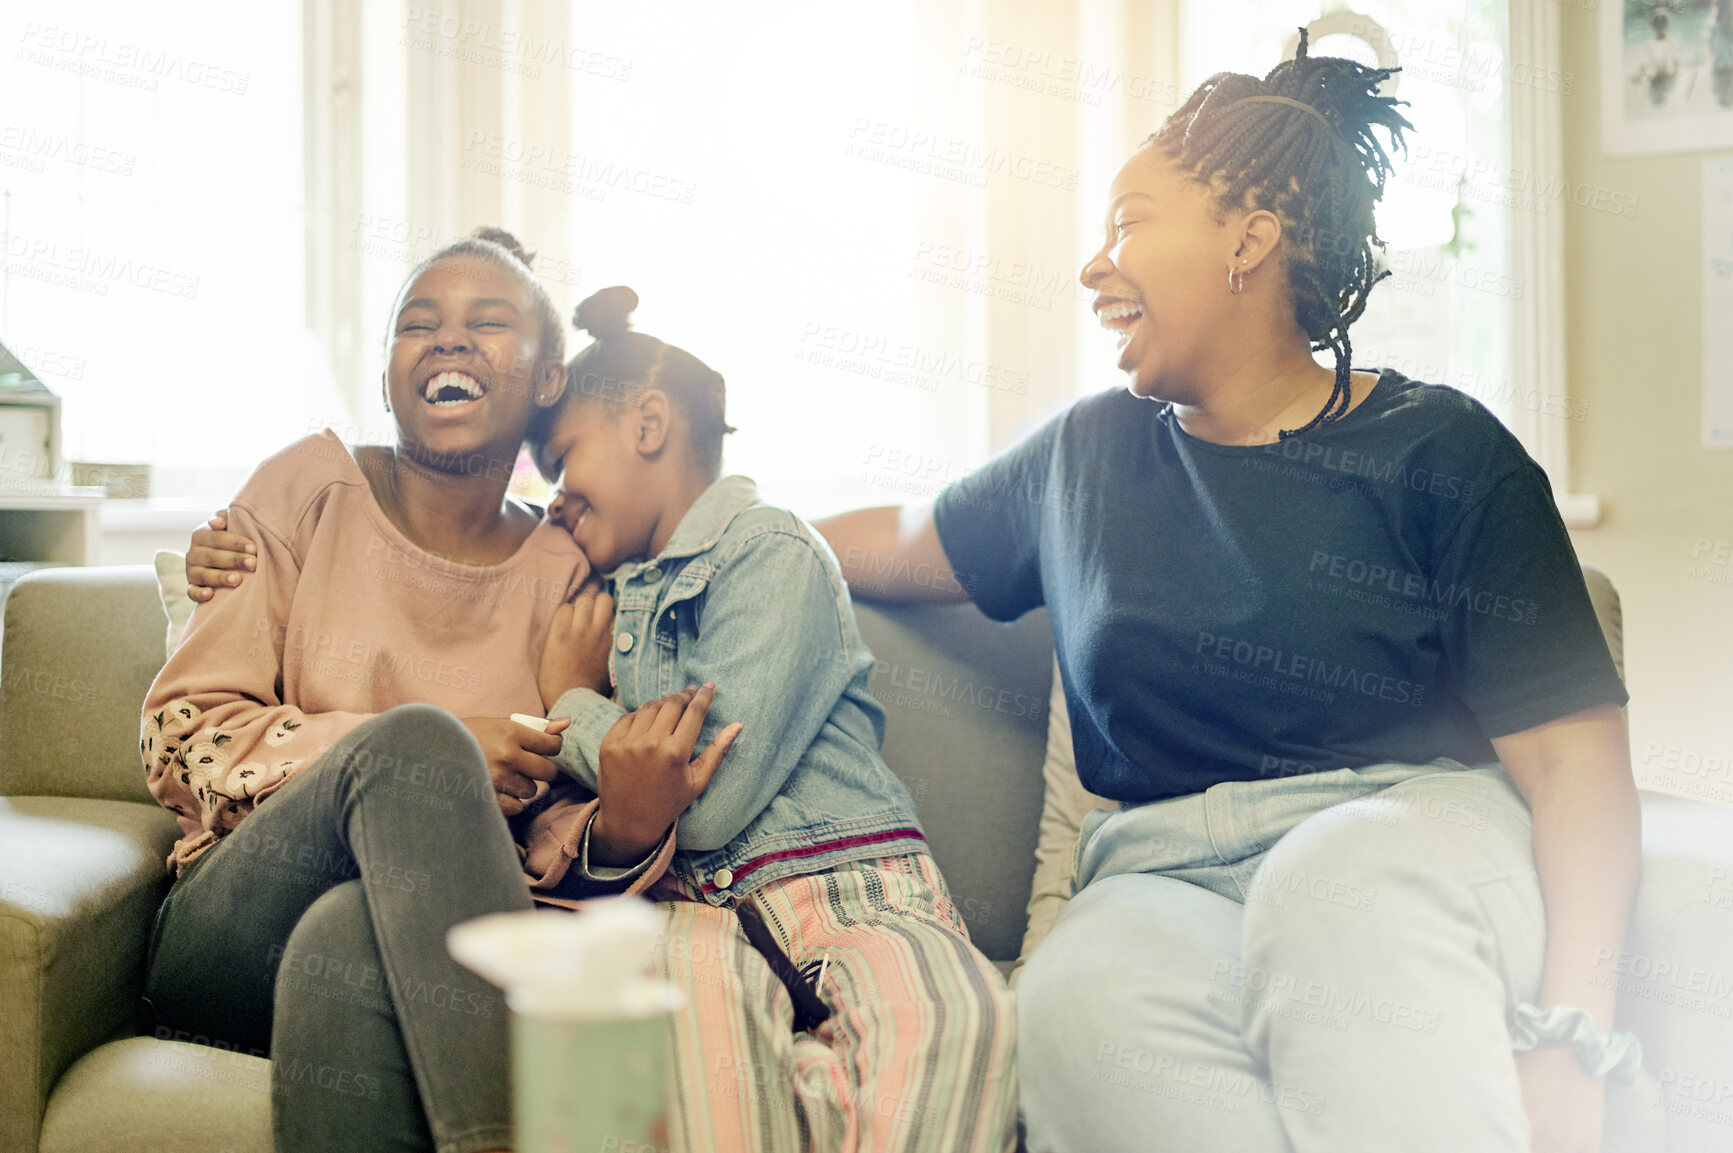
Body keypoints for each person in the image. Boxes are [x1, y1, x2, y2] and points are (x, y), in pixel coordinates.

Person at [814, 34, 1636, 1153]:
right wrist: (689, 528)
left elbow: (1577, 768)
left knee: (1330, 883)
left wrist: (1571, 1037)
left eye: (1128, 222)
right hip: (1162, 874)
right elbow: (903, 540)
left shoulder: (1441, 449)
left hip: (1413, 842)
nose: (1093, 267)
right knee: (1072, 1002)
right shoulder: (1083, 456)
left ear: (1246, 237)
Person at [187, 283, 1019, 1152]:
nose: (554, 498)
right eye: (417, 323)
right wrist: (226, 549)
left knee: (957, 1030)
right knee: (699, 1076)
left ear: (644, 423)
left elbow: (682, 798)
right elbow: (640, 788)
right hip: (686, 913)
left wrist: (570, 705)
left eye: (565, 460)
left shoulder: (701, 561)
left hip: (828, 886)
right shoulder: (560, 575)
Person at [147, 229, 722, 1153]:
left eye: (487, 323)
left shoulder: (566, 572)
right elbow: (184, 740)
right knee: (422, 746)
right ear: (388, 374)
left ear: (547, 383)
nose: (448, 340)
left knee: (347, 938)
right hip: (230, 925)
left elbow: (556, 825)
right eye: (418, 325)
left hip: (420, 947)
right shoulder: (306, 489)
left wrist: (599, 816)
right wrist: (428, 755)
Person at [1632, 8, 1682, 107]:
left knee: (1659, 93)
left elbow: (1676, 64)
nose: (1661, 29)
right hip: (1656, 78)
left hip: (1666, 78)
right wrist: (1640, 74)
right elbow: (1644, 64)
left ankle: (1659, 98)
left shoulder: (1672, 43)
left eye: (1662, 26)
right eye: (1659, 26)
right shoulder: (1649, 45)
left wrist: (1675, 75)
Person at [1712, 0, 1733, 109]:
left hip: (1723, 67)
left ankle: (1724, 100)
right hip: (1724, 66)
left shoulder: (1718, 26)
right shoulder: (1719, 26)